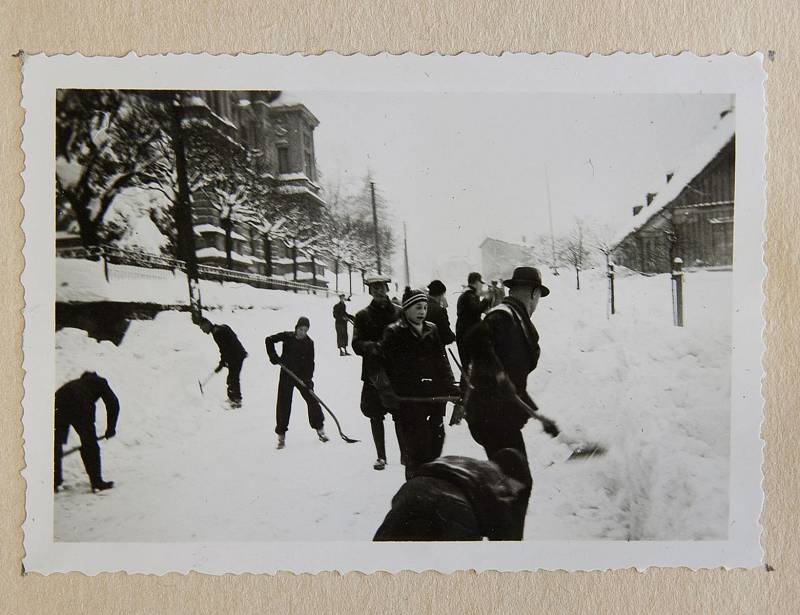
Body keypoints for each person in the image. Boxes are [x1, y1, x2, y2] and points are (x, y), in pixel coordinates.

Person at [462, 266, 550, 538]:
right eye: (538, 298)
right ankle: (504, 543)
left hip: (494, 415)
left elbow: (512, 377)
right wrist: (497, 373)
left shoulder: (512, 317)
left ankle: (499, 535)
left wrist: (534, 411)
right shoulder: (505, 317)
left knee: (510, 482)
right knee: (517, 484)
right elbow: (475, 342)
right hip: (493, 417)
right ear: (534, 293)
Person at [377, 287, 459, 479]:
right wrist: (387, 394)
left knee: (436, 442)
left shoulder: (432, 329)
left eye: (424, 307)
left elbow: (442, 360)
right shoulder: (394, 332)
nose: (422, 311)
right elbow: (378, 367)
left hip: (434, 398)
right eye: (417, 308)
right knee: (416, 449)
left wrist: (450, 386)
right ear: (406, 309)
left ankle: (428, 484)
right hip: (409, 400)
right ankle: (415, 488)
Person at [373, 449, 530, 541]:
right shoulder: (497, 483)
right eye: (514, 489)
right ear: (508, 476)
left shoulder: (464, 462)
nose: (512, 494)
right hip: (453, 508)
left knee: (384, 557)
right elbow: (503, 537)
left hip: (410, 491)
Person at [352, 274, 401, 471]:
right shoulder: (362, 316)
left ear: (387, 289)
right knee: (375, 414)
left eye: (382, 287)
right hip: (374, 372)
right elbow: (355, 344)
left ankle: (404, 452)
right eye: (375, 288)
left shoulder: (399, 312)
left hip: (396, 372)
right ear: (370, 291)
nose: (379, 291)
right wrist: (371, 346)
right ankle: (381, 456)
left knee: (400, 413)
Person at [265, 317, 328, 449]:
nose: (302, 332)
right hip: (287, 375)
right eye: (300, 329)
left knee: (312, 399)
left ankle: (320, 429)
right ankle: (281, 436)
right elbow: (269, 340)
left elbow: (311, 363)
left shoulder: (309, 343)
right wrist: (273, 356)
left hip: (302, 377)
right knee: (284, 403)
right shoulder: (287, 336)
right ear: (296, 327)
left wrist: (308, 380)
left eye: (305, 330)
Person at [54, 371, 120, 493]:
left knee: (55, 443)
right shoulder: (101, 382)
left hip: (59, 400)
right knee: (90, 444)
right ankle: (97, 482)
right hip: (80, 404)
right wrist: (111, 428)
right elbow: (113, 403)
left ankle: (54, 481)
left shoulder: (75, 383)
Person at [424, 279, 456, 454]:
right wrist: (453, 336)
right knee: (438, 406)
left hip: (418, 364)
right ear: (441, 293)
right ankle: (434, 449)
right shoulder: (439, 309)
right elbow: (446, 336)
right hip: (436, 362)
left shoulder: (420, 306)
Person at [199, 317, 248, 406]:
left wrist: (222, 362)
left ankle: (236, 400)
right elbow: (231, 341)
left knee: (233, 378)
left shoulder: (217, 333)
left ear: (207, 325)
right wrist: (224, 361)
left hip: (236, 356)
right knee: (232, 377)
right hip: (237, 354)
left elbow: (224, 348)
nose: (203, 331)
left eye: (203, 328)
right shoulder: (222, 327)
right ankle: (233, 398)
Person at [455, 271, 491, 370]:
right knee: (469, 366)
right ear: (476, 282)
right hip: (467, 335)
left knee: (469, 366)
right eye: (480, 283)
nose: (481, 286)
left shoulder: (469, 295)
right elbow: (476, 310)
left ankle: (467, 384)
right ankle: (466, 385)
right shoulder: (469, 295)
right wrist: (486, 299)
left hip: (466, 333)